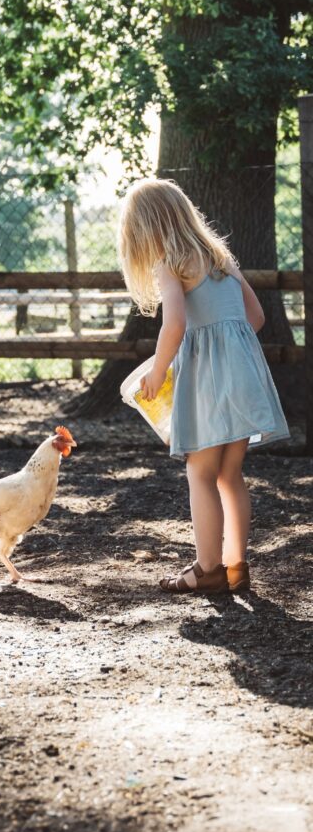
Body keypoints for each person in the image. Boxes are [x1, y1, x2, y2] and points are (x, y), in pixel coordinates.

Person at [118, 179, 289, 594]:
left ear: (147, 229)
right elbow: (257, 317)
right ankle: (236, 567)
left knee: (200, 472)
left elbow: (173, 324)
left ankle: (207, 569)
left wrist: (160, 372)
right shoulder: (219, 257)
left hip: (211, 383)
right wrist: (226, 346)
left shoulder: (169, 262)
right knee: (230, 475)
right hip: (244, 375)